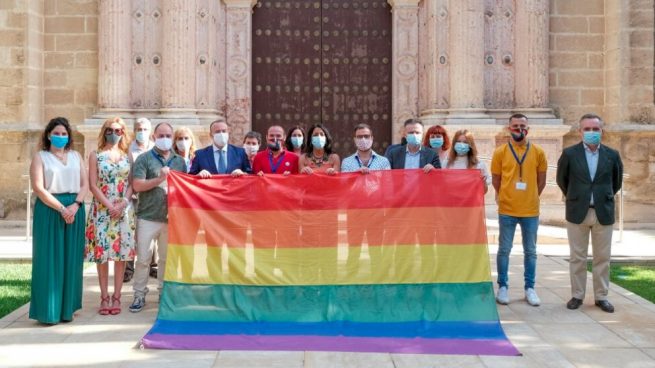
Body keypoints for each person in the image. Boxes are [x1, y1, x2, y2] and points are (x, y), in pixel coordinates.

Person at [556, 113, 623, 313]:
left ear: (602, 131)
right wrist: (578, 197)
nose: (592, 132)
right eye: (587, 129)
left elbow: (616, 182)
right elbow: (562, 180)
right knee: (578, 257)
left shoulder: (612, 155)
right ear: (580, 131)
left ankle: (601, 296)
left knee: (603, 257)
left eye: (595, 129)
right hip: (578, 212)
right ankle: (577, 295)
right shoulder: (569, 154)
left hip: (604, 211)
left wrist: (602, 196)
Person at [29, 117, 88, 324]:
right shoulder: (41, 157)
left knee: (72, 259)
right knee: (49, 260)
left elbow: (85, 184)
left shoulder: (76, 156)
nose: (60, 137)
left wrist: (76, 205)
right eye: (57, 133)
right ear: (48, 135)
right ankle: (48, 311)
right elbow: (39, 188)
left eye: (64, 134)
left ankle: (67, 309)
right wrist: (62, 209)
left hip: (75, 208)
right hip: (50, 209)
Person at [129, 122, 187, 313]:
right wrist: (160, 180)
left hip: (170, 217)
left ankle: (163, 293)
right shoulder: (144, 159)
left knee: (165, 259)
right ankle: (139, 294)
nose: (165, 139)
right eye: (161, 135)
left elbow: (184, 188)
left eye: (168, 135)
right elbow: (137, 185)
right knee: (144, 258)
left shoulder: (179, 161)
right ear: (154, 137)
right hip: (147, 215)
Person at [491, 113, 547, 307]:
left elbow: (542, 180)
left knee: (530, 251)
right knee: (504, 249)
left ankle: (529, 288)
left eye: (522, 126)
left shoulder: (538, 151)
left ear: (528, 129)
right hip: (507, 208)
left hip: (530, 210)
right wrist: (505, 195)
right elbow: (496, 180)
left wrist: (530, 195)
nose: (519, 130)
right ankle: (503, 286)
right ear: (509, 129)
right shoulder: (500, 152)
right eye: (515, 126)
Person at [85, 117, 136, 316]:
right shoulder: (95, 155)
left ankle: (117, 296)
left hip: (123, 209)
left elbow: (132, 183)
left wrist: (123, 203)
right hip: (102, 210)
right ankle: (104, 297)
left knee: (121, 254)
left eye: (117, 130)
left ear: (123, 133)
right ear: (103, 132)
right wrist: (109, 206)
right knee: (103, 254)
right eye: (109, 130)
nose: (113, 134)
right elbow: (93, 185)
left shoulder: (127, 155)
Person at [341, 123, 391, 279]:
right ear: (354, 139)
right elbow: (344, 187)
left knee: (376, 251)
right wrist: (356, 175)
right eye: (360, 137)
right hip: (355, 212)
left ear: (372, 138)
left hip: (376, 213)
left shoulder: (383, 162)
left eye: (366, 136)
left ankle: (378, 282)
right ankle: (350, 283)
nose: (363, 139)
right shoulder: (347, 162)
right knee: (353, 250)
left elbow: (388, 187)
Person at [124, 117, 154, 283]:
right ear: (134, 131)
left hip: (151, 196)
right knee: (130, 233)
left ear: (150, 131)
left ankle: (153, 266)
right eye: (139, 129)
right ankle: (128, 268)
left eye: (145, 129)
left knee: (152, 230)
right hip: (133, 196)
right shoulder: (128, 149)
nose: (142, 132)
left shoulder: (156, 148)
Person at [444, 129, 491, 193]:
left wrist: (483, 181)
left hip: (471, 202)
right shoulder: (446, 163)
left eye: (465, 142)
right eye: (459, 141)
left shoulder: (479, 165)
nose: (461, 144)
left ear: (470, 145)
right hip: (451, 201)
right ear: (454, 144)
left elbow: (483, 191)